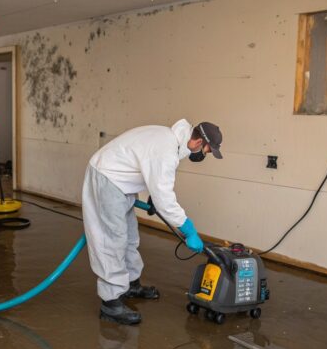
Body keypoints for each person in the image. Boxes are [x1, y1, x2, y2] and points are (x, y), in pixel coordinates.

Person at [82, 119, 223, 325]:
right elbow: (164, 195)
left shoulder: (172, 142)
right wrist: (187, 228)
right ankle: (110, 302)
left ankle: (131, 284)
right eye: (207, 150)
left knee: (130, 237)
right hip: (108, 178)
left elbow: (154, 172)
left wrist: (153, 195)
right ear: (198, 141)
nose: (205, 154)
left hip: (122, 183)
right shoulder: (165, 148)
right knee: (112, 240)